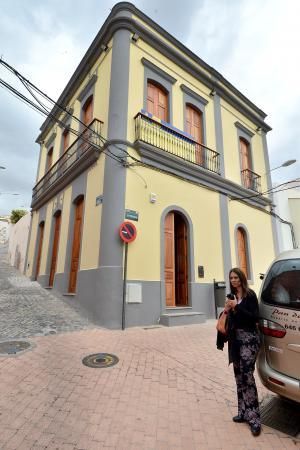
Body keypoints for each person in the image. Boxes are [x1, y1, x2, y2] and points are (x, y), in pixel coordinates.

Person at [223, 268, 261, 437]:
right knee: (239, 377)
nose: (233, 280)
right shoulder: (231, 297)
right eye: (231, 278)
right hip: (236, 341)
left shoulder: (250, 295)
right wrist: (227, 310)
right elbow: (233, 319)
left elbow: (253, 318)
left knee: (247, 376)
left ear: (242, 278)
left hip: (249, 340)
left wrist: (236, 308)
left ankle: (255, 419)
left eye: (236, 277)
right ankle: (243, 412)